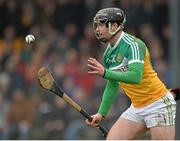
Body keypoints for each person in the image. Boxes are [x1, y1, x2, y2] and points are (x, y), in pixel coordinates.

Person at [85, 8, 176, 140]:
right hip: (137, 107)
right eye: (96, 25)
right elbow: (112, 84)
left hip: (158, 104)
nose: (97, 29)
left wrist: (105, 72)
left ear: (115, 26)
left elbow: (135, 77)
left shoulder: (133, 45)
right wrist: (101, 113)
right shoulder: (108, 54)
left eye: (101, 24)